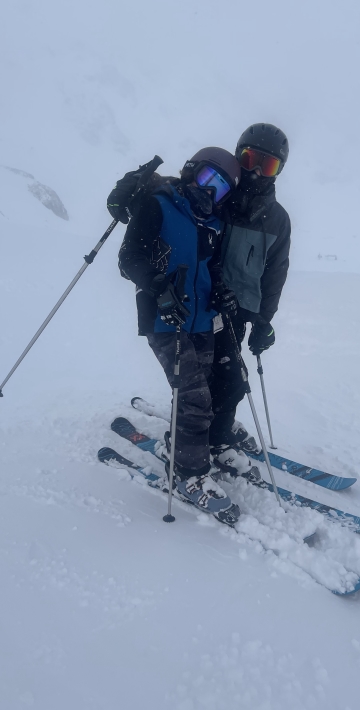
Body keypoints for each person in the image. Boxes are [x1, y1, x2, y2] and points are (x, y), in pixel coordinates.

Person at [116, 147, 242, 524]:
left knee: (201, 391)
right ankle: (188, 473)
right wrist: (159, 288)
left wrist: (220, 291)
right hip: (164, 319)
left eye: (221, 188)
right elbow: (128, 258)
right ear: (190, 171)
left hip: (202, 320)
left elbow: (210, 268)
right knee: (195, 397)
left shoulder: (214, 223)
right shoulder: (159, 205)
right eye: (207, 178)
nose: (211, 191)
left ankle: (180, 445)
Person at [207, 124, 291, 472]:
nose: (256, 171)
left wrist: (263, 321)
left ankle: (216, 424)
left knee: (227, 376)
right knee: (223, 377)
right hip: (204, 303)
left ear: (278, 171)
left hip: (240, 312)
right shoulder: (218, 197)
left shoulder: (278, 220)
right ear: (238, 155)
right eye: (250, 159)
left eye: (267, 165)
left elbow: (275, 273)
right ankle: (212, 436)